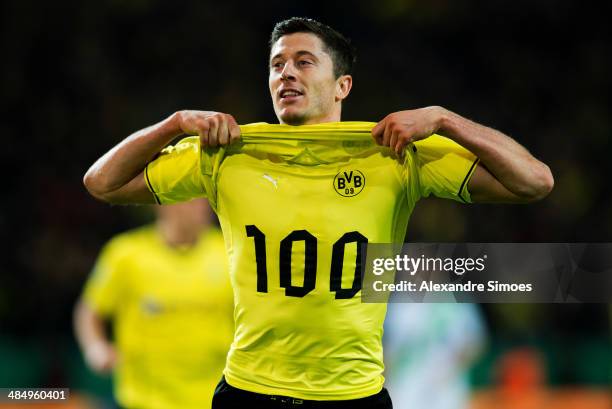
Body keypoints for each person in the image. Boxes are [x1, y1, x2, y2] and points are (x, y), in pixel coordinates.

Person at [82, 17, 553, 409]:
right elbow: (102, 182)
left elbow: (534, 181)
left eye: (304, 62)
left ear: (343, 84)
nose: (286, 73)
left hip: (353, 397)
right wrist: (174, 124)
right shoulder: (227, 154)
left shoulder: (395, 155)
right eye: (277, 65)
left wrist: (446, 119)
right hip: (250, 392)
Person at [74, 199, 233, 409]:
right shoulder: (125, 254)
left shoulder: (230, 252)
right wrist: (96, 348)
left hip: (213, 397)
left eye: (205, 200)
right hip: (143, 400)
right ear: (164, 204)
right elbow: (89, 311)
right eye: (192, 200)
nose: (203, 208)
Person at [383, 302, 486, 409]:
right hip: (404, 390)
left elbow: (476, 343)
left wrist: (451, 366)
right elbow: (386, 349)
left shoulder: (457, 302)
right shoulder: (398, 303)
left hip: (446, 392)